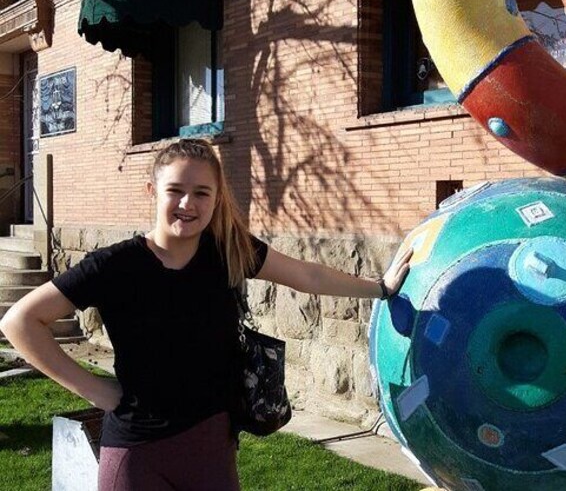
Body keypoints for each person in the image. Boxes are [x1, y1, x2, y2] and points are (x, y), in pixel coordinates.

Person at [0, 138, 413, 491]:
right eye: (175, 190)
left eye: (201, 193)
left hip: (211, 448)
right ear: (152, 191)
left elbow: (307, 275)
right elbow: (19, 322)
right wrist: (95, 390)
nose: (187, 203)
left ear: (217, 198)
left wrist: (380, 287)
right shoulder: (115, 265)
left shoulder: (228, 251)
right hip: (136, 453)